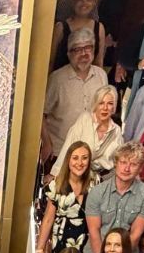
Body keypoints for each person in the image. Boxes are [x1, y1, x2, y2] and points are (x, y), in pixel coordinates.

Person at [41, 27, 109, 164]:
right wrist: (47, 143)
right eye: (77, 49)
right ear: (68, 54)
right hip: (60, 151)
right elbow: (41, 114)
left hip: (90, 152)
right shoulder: (57, 79)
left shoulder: (101, 75)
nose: (84, 53)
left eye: (88, 47)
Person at [84, 142, 144, 253]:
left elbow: (135, 234)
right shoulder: (97, 192)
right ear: (116, 163)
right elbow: (94, 231)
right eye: (123, 162)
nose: (127, 169)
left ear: (140, 168)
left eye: (133, 164)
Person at [37, 141, 93, 253]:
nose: (79, 163)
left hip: (87, 246)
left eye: (84, 158)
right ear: (68, 160)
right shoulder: (56, 185)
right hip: (61, 246)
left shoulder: (95, 183)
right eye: (75, 158)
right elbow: (48, 219)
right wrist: (40, 248)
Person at [55, 85, 123, 179]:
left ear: (114, 106)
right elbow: (68, 147)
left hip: (97, 180)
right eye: (101, 103)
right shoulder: (85, 119)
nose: (105, 108)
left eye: (110, 103)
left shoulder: (116, 131)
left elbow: (114, 163)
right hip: (73, 175)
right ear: (96, 104)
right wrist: (56, 174)